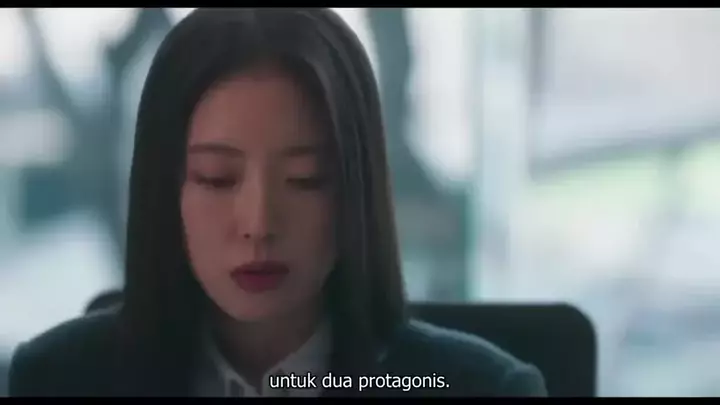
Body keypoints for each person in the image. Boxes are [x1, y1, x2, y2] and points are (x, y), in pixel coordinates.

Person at [8, 8, 547, 397]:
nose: (260, 223)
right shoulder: (57, 380)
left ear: (355, 193)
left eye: (306, 179)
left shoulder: (481, 389)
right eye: (217, 179)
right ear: (164, 189)